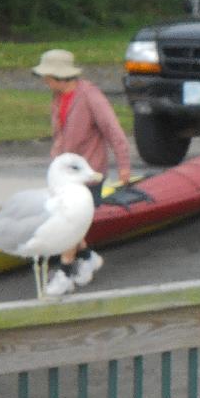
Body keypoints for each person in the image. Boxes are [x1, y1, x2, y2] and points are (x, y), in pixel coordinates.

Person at [32, 48, 131, 295]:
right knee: (68, 221)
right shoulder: (58, 96)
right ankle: (87, 258)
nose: (44, 81)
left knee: (69, 222)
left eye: (47, 76)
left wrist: (124, 166)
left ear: (58, 76)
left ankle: (65, 273)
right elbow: (62, 134)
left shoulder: (90, 96)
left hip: (88, 173)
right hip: (63, 174)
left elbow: (113, 131)